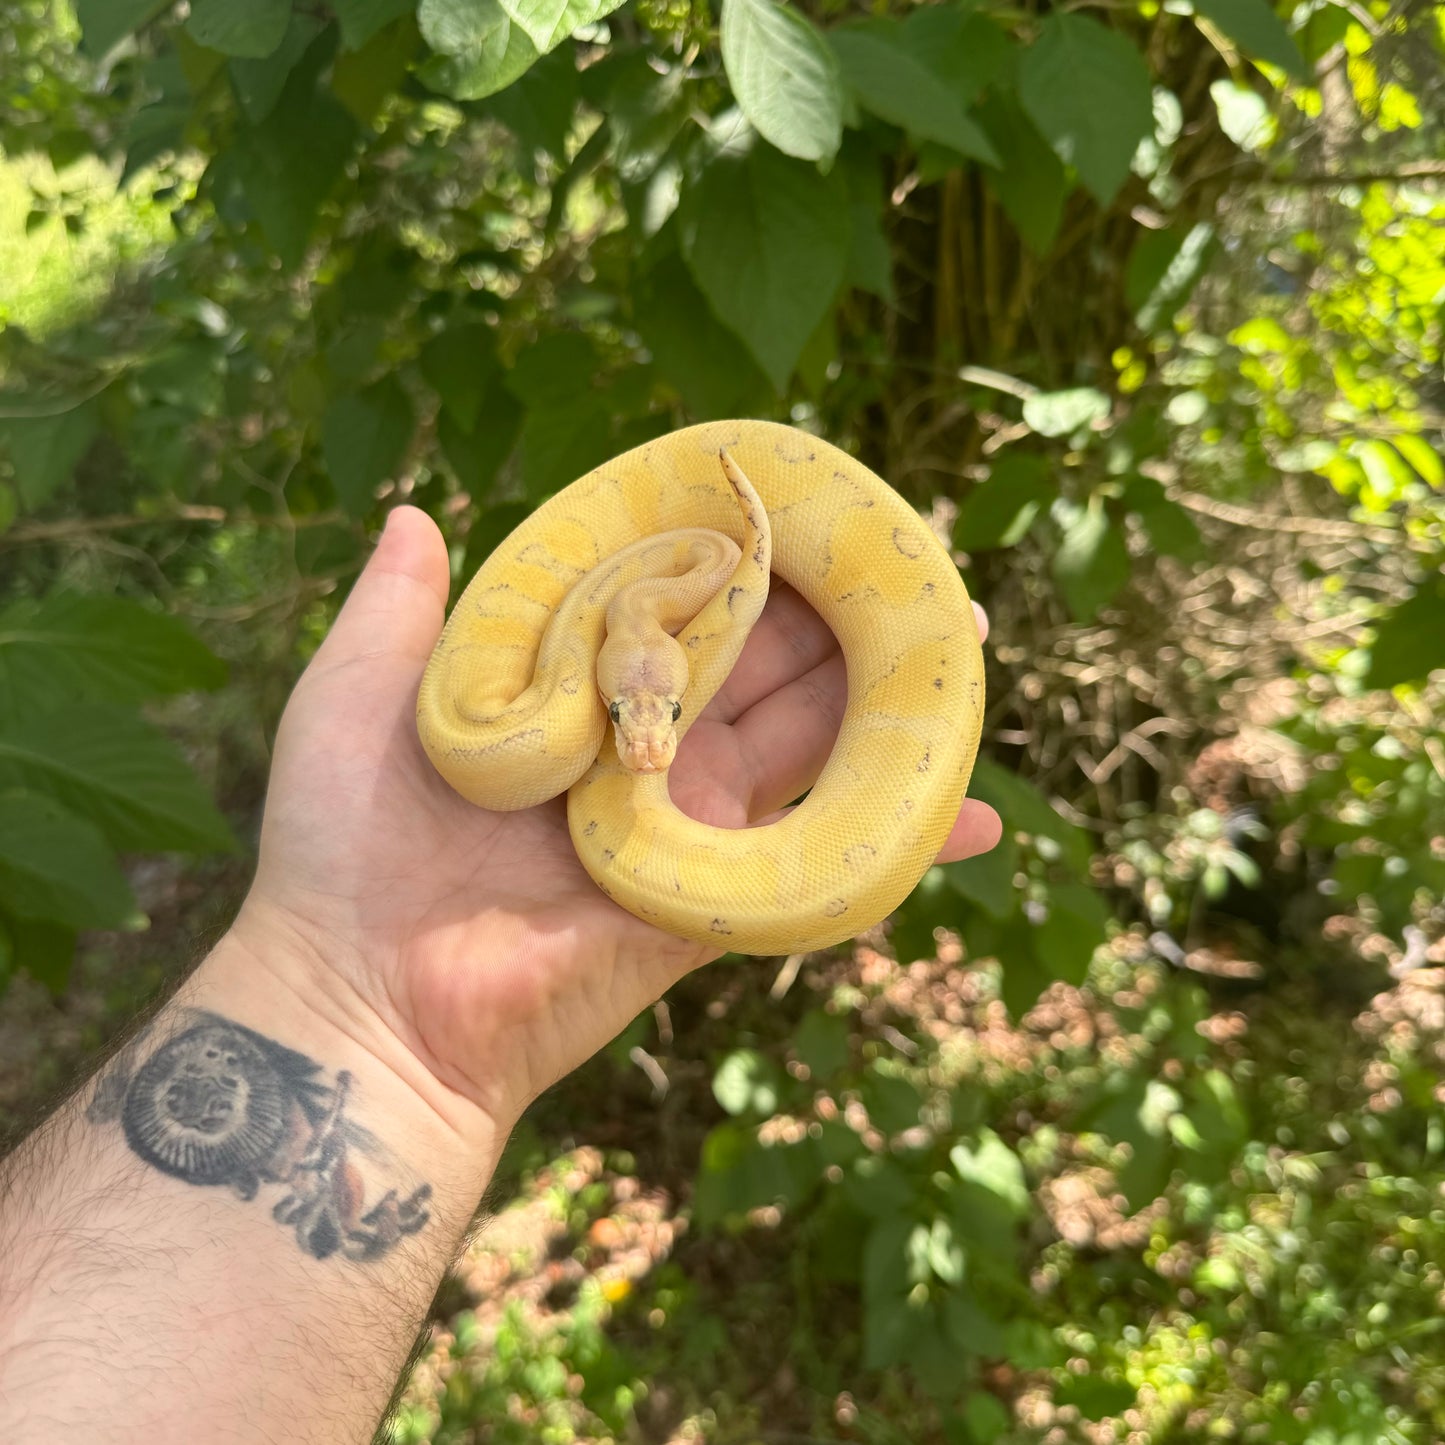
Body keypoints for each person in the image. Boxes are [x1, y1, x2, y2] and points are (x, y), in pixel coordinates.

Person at [0, 506, 1001, 1443]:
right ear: (606, 668)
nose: (646, 738)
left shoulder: (639, 643)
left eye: (663, 707)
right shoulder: (571, 675)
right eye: (627, 708)